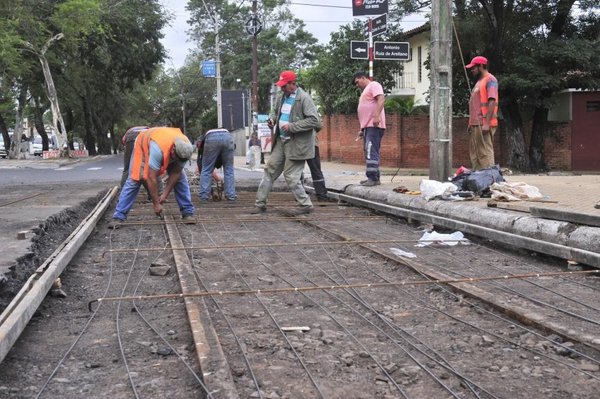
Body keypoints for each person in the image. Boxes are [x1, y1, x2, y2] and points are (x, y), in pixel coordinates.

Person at [252, 70, 320, 215]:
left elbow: (314, 120)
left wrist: (292, 126)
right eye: (281, 86)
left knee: (291, 176)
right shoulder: (282, 96)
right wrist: (272, 119)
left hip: (297, 144)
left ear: (293, 84)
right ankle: (260, 204)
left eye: (284, 85)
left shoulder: (304, 98)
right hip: (281, 142)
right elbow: (275, 112)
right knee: (269, 170)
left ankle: (306, 204)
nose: (282, 88)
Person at [109, 127, 195, 228]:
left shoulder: (186, 149)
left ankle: (187, 212)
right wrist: (156, 203)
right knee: (135, 179)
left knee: (181, 178)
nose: (178, 160)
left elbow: (176, 173)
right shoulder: (157, 149)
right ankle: (119, 216)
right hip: (143, 143)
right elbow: (151, 178)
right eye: (177, 157)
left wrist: (164, 195)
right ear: (173, 150)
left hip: (165, 143)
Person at [466, 55, 499, 171]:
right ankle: (478, 180)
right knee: (476, 154)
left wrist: (487, 123)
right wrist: (471, 123)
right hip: (476, 123)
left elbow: (492, 101)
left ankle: (489, 179)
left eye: (474, 67)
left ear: (480, 66)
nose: (472, 70)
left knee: (484, 153)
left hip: (484, 123)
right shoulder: (480, 82)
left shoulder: (491, 80)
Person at [353, 71, 386, 186]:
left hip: (374, 126)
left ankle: (372, 178)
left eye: (357, 82)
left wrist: (376, 116)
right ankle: (374, 177)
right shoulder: (366, 91)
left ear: (362, 77)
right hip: (368, 127)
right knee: (369, 151)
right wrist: (362, 129)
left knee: (370, 151)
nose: (357, 85)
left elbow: (381, 98)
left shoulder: (374, 85)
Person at [198, 128, 237, 201]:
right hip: (228, 137)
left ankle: (204, 196)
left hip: (212, 139)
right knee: (229, 169)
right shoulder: (225, 131)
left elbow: (200, 159)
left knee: (206, 169)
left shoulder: (206, 135)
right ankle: (231, 195)